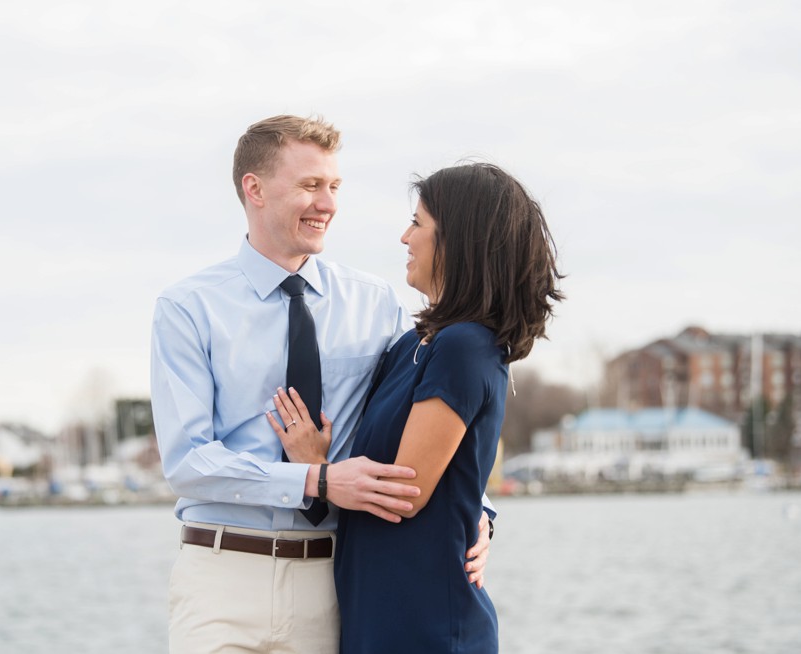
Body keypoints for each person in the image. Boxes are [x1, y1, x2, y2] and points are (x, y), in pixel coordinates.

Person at [150, 115, 494, 653]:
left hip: (333, 583)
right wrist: (318, 481)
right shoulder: (188, 307)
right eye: (311, 185)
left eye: (334, 187)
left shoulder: (376, 303)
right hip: (221, 580)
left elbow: (433, 411)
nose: (327, 203)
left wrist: (482, 509)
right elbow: (189, 463)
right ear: (254, 188)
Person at [271, 162, 563, 652]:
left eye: (419, 223)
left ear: (460, 242)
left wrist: (315, 468)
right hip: (381, 614)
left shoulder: (464, 346)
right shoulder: (416, 343)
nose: (406, 236)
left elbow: (405, 491)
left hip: (426, 622)